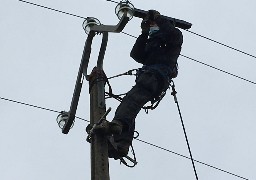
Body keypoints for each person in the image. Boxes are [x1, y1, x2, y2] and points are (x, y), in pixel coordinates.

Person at [96, 10, 183, 159]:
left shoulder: (171, 45)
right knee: (130, 106)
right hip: (149, 77)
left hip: (154, 78)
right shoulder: (152, 48)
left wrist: (158, 19)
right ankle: (122, 143)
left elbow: (173, 34)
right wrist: (144, 33)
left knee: (131, 101)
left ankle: (118, 125)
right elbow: (136, 54)